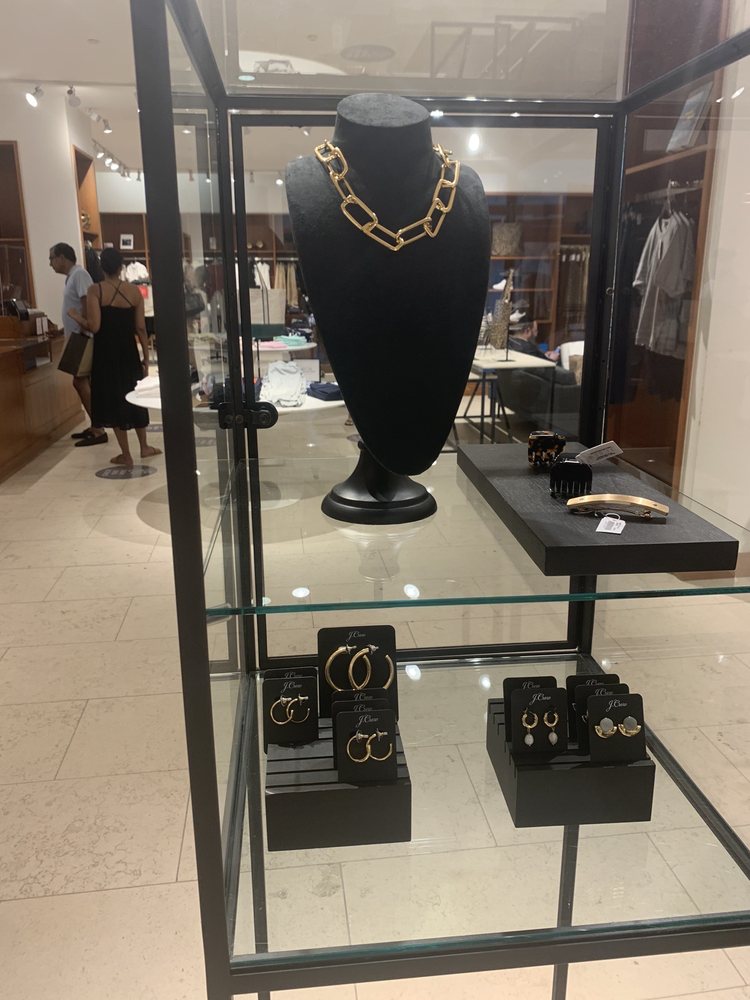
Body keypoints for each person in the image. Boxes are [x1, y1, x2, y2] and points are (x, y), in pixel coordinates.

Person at [67, 247, 161, 469]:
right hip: (128, 352)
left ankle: (126, 454)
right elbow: (140, 327)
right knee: (134, 397)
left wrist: (76, 317)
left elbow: (94, 326)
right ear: (121, 267)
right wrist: (146, 358)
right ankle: (144, 446)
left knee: (113, 398)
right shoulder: (134, 292)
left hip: (105, 354)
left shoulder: (96, 290)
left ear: (102, 267)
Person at [49, 242, 107, 446]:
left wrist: (84, 327)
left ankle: (98, 428)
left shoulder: (80, 275)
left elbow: (86, 303)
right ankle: (95, 425)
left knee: (80, 381)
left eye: (52, 258)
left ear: (62, 257)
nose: (50, 263)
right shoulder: (72, 277)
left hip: (82, 336)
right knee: (81, 381)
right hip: (76, 336)